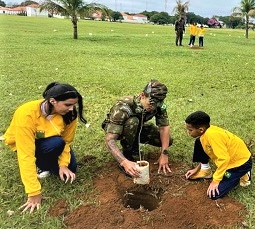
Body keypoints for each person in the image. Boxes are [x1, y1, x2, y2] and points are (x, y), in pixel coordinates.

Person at [3, 82, 87, 213]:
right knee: (55, 144)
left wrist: (63, 165)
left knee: (71, 168)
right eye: (67, 105)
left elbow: (66, 141)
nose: (71, 108)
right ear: (52, 101)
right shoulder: (26, 114)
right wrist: (33, 192)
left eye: (74, 105)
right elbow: (26, 155)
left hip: (54, 141)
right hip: (28, 143)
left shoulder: (70, 114)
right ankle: (40, 165)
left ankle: (48, 163)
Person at [102, 79, 173, 177]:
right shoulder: (123, 106)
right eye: (151, 104)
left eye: (156, 105)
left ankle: (135, 142)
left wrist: (164, 154)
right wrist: (124, 162)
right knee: (133, 122)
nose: (153, 108)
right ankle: (128, 154)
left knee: (168, 140)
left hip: (138, 127)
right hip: (119, 129)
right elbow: (109, 140)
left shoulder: (158, 105)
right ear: (143, 95)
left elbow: (164, 128)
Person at [184, 111, 252, 200]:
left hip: (240, 164)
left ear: (201, 129)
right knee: (199, 142)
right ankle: (205, 170)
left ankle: (243, 174)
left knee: (213, 194)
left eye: (190, 130)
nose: (188, 132)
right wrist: (197, 168)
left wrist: (215, 181)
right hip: (231, 158)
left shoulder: (212, 136)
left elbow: (224, 159)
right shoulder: (206, 133)